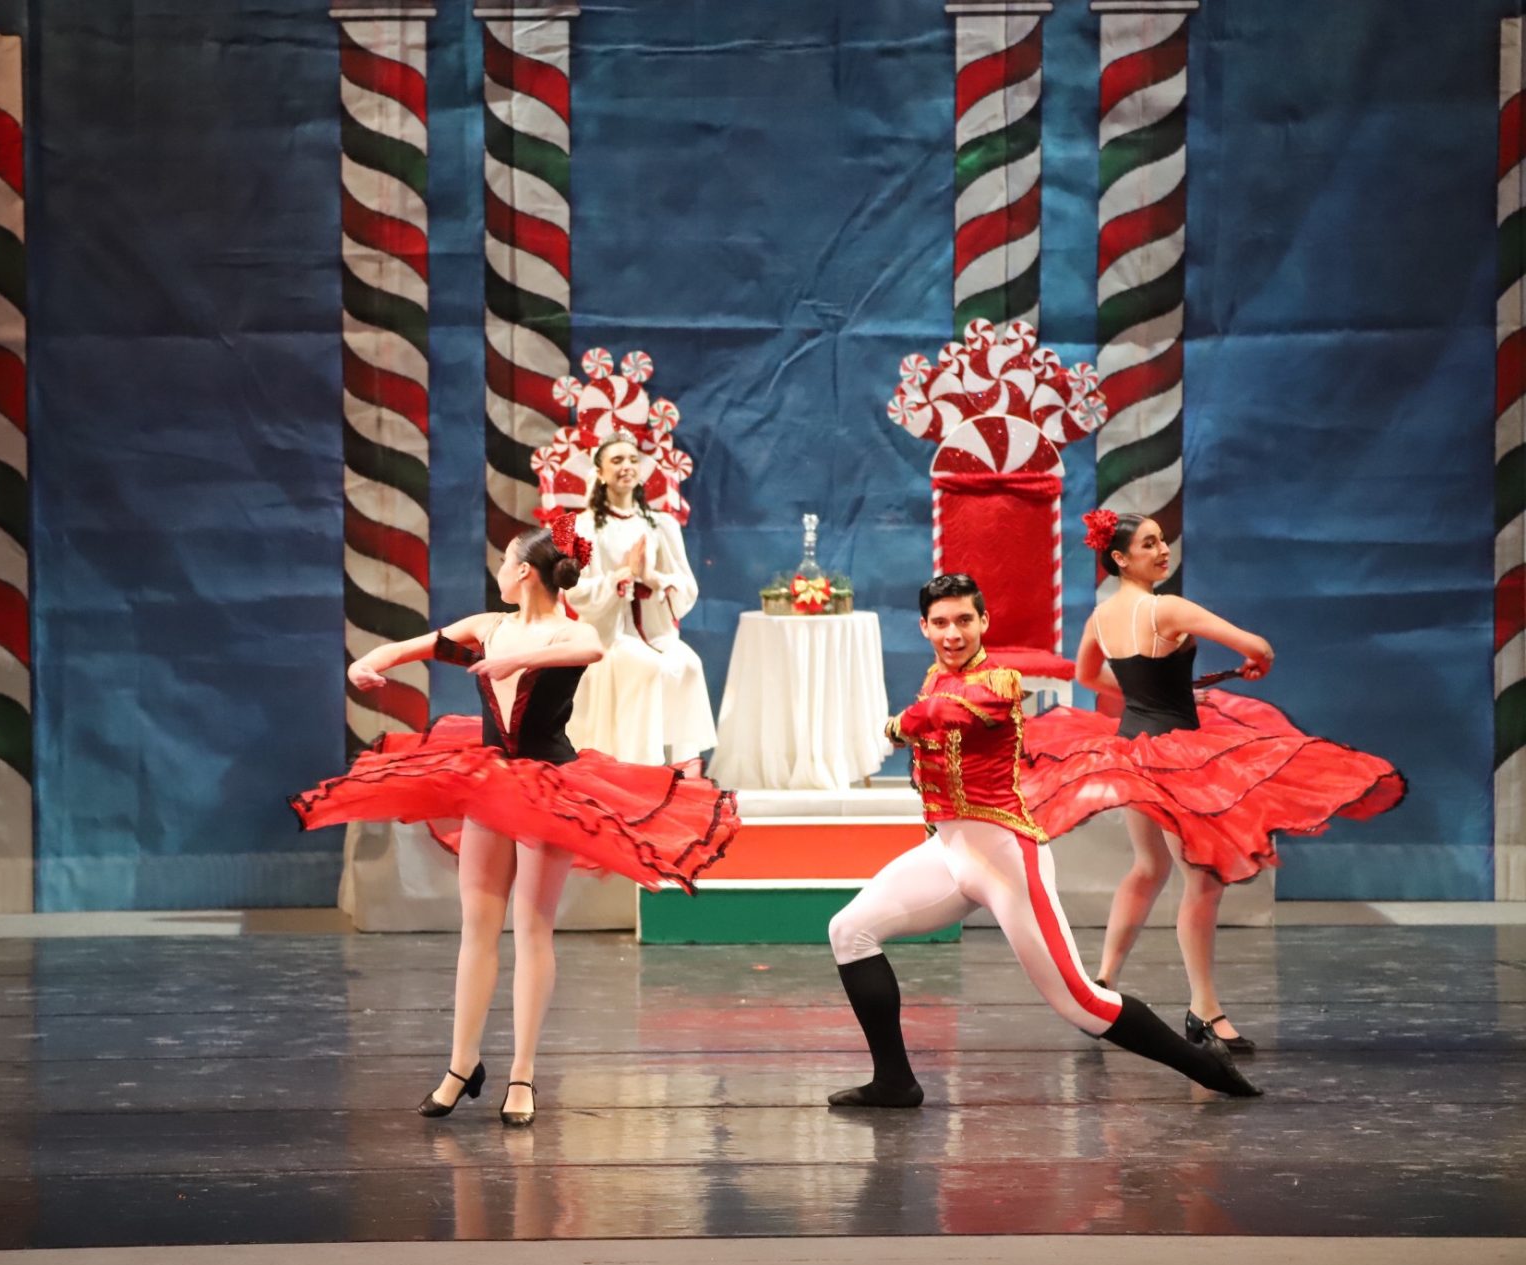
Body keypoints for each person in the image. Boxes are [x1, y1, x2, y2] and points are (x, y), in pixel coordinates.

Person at [290, 520, 737, 1126]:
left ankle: (522, 1074)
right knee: (477, 929)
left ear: (524, 571)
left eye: (505, 562)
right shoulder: (487, 627)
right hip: (490, 783)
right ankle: (461, 1064)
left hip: (550, 788)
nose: (499, 571)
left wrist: (520, 657)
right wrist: (371, 661)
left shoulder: (570, 631)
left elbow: (589, 651)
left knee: (531, 930)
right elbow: (422, 644)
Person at [825, 573, 1261, 1108]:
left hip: (1005, 855)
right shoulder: (936, 676)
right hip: (949, 850)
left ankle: (1207, 1066)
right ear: (924, 627)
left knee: (1081, 1003)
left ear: (984, 621)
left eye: (963, 620)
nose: (953, 633)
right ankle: (895, 1081)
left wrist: (901, 723)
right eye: (940, 623)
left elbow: (949, 712)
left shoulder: (1000, 681)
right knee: (849, 931)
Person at [1020, 511, 1406, 1050]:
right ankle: (1204, 1009)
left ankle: (1103, 984)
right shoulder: (1167, 608)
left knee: (1149, 867)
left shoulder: (1101, 618)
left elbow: (1086, 675)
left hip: (1132, 751)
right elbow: (1259, 647)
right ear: (1121, 558)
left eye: (1162, 540)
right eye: (1149, 544)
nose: (1163, 550)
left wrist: (1148, 695)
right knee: (1201, 881)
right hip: (1178, 759)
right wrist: (1256, 663)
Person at [563, 433, 716, 773]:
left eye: (633, 460)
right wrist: (621, 576)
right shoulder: (581, 527)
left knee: (689, 665)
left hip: (654, 631)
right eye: (617, 460)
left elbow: (685, 585)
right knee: (649, 668)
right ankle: (641, 768)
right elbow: (575, 592)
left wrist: (653, 578)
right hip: (609, 635)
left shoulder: (661, 524)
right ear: (600, 472)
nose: (627, 467)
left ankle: (684, 767)